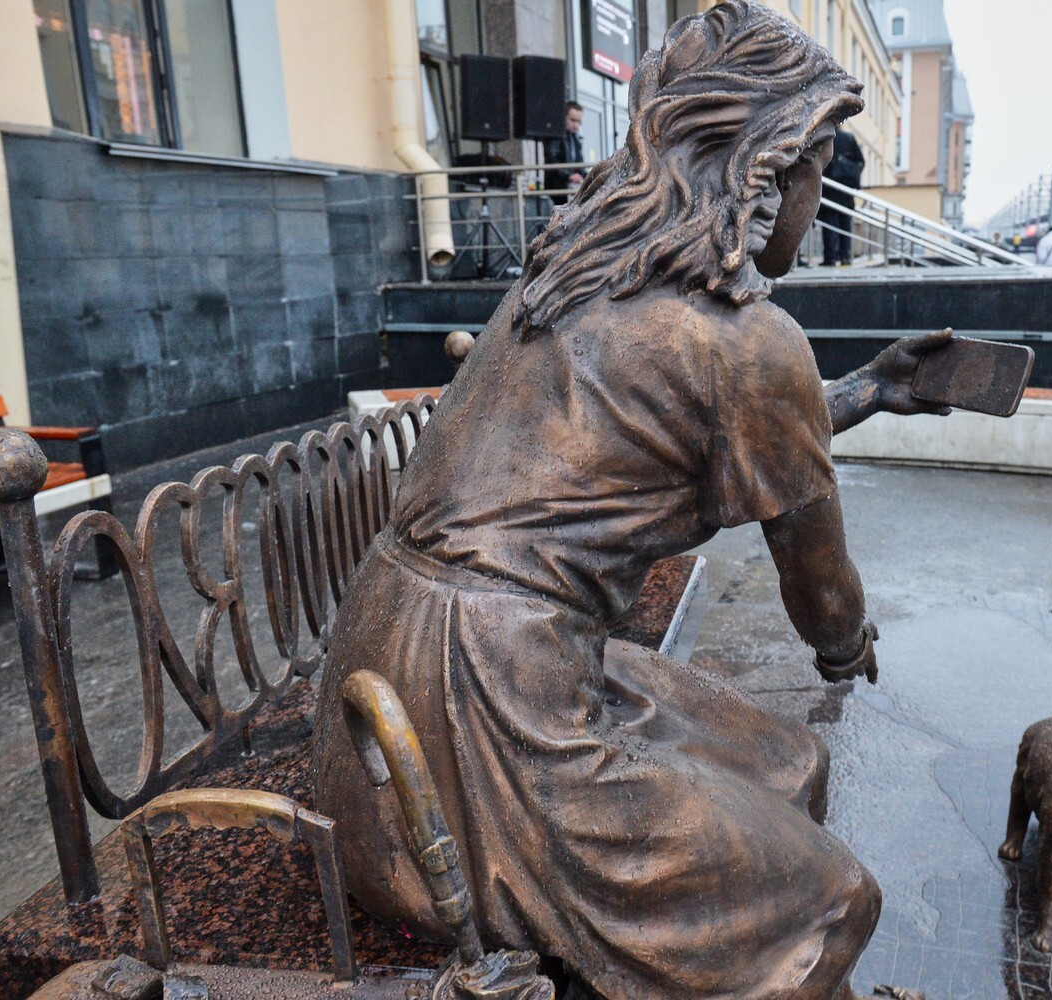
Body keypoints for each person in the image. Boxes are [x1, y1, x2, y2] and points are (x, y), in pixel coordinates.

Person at [313, 5, 952, 998]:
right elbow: (823, 597)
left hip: (374, 688)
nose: (818, 196)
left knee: (787, 759)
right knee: (832, 903)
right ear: (767, 168)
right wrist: (845, 645)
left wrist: (867, 388)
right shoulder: (748, 340)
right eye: (819, 169)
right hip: (485, 728)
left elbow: (725, 431)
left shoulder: (575, 272)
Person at [819, 127, 865, 265]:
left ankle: (830, 257)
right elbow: (860, 162)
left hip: (828, 190)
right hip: (845, 190)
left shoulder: (823, 138)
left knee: (830, 223)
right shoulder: (848, 138)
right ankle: (845, 256)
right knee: (845, 223)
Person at [541, 101, 585, 206]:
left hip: (569, 185)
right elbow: (552, 160)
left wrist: (583, 175)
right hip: (558, 187)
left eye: (578, 121)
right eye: (572, 120)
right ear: (564, 118)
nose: (576, 125)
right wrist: (569, 175)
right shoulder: (556, 136)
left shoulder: (575, 138)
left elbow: (579, 162)